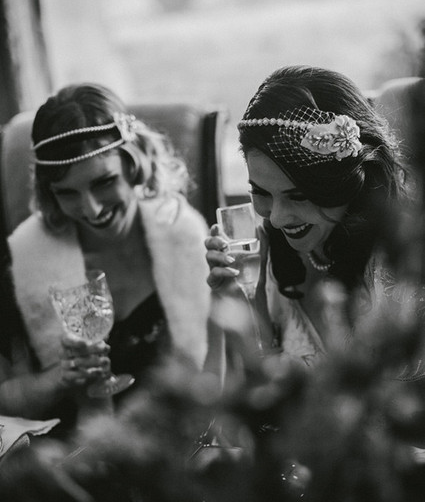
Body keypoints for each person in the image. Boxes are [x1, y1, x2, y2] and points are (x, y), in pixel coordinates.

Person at [1, 83, 211, 434]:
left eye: (103, 182)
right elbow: (5, 398)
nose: (92, 209)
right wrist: (58, 379)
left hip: (177, 436)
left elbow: (219, 372)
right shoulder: (22, 260)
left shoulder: (185, 235)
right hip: (71, 446)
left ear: (134, 162)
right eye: (68, 193)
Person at [206, 65, 410, 367]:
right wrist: (246, 305)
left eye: (298, 196)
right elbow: (262, 385)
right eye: (261, 193)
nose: (276, 219)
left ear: (348, 181)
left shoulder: (402, 270)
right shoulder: (262, 255)